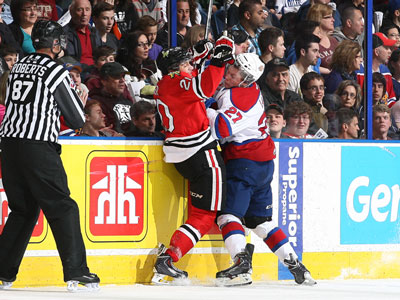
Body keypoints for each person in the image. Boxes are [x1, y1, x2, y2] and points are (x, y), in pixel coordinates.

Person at [0, 20, 100, 291]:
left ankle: (3, 271)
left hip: (9, 146)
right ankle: (77, 271)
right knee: (63, 207)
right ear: (55, 44)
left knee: (23, 210)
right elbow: (76, 117)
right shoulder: (55, 70)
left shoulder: (18, 65)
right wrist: (80, 96)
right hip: (37, 148)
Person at [207, 53, 315, 286]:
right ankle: (296, 265)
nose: (227, 75)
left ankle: (240, 264)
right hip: (263, 163)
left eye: (233, 73)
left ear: (245, 78)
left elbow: (223, 127)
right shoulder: (252, 89)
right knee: (260, 220)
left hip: (243, 162)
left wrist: (204, 108)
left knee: (228, 216)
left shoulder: (238, 95)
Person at [151, 36, 234, 284]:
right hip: (203, 154)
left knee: (200, 213)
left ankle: (169, 258)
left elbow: (191, 77)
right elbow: (205, 88)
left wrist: (203, 55)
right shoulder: (178, 81)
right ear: (177, 68)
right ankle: (169, 258)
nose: (191, 67)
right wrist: (217, 62)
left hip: (184, 157)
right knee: (204, 216)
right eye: (187, 64)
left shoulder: (165, 83)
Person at [90, 62, 136, 135]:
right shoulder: (96, 103)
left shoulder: (127, 100)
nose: (122, 80)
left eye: (123, 76)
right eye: (117, 77)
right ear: (104, 81)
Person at [63, 0, 99, 66]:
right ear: (71, 12)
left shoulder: (95, 32)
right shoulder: (65, 33)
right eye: (80, 10)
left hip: (96, 70)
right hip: (78, 71)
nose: (84, 14)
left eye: (87, 10)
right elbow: (69, 58)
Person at [306, 3, 339, 74]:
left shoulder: (334, 40)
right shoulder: (311, 42)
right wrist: (327, 71)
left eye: (332, 16)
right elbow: (306, 66)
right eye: (329, 17)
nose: (333, 20)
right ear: (318, 19)